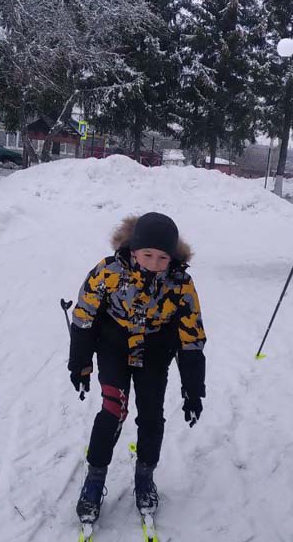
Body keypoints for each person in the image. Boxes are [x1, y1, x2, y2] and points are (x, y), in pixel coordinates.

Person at [68, 212, 207, 522]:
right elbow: (84, 317)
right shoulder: (108, 272)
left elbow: (191, 337)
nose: (155, 263)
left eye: (162, 257)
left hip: (154, 353)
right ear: (133, 251)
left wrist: (193, 389)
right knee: (112, 410)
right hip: (114, 348)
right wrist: (80, 365)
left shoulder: (181, 284)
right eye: (148, 255)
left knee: (151, 416)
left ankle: (145, 476)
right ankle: (95, 478)